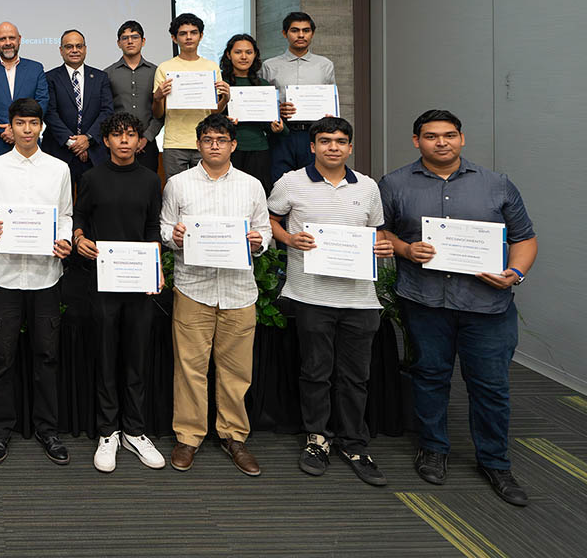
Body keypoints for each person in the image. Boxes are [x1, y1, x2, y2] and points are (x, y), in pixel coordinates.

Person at [378, 109, 538, 507]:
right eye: (431, 136)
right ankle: (433, 448)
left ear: (461, 138)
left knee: (490, 386)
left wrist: (516, 273)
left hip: (487, 305)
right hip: (425, 300)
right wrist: (405, 249)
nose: (441, 142)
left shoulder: (496, 184)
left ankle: (495, 462)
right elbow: (381, 231)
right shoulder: (394, 183)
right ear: (416, 141)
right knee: (430, 377)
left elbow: (525, 237)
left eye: (449, 135)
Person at [267, 117, 393, 486]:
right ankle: (317, 439)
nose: (332, 147)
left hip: (360, 298)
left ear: (350, 147)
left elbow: (376, 232)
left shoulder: (367, 187)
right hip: (310, 295)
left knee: (355, 376)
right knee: (315, 372)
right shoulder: (290, 182)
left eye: (340, 141)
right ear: (312, 147)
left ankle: (354, 443)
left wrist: (382, 246)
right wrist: (289, 240)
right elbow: (269, 220)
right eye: (325, 141)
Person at [161, 113, 270, 477]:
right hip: (194, 288)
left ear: (233, 145)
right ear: (198, 144)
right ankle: (188, 436)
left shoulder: (251, 186)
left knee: (236, 371)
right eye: (207, 140)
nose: (214, 146)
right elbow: (164, 227)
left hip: (239, 291)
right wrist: (173, 236)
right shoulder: (178, 184)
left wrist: (259, 241)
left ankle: (233, 436)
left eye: (221, 140)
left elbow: (264, 230)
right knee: (189, 368)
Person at [0, 98, 74, 465]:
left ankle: (47, 429)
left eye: (33, 123)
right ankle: (0, 430)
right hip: (4, 275)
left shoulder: (59, 169)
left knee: (47, 355)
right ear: (11, 127)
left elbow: (65, 216)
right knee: (2, 358)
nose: (27, 129)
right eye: (20, 123)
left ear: (41, 126)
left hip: (45, 276)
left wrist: (64, 239)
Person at [73, 112, 166, 473]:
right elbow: (80, 217)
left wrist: (156, 268)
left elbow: (153, 226)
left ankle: (135, 431)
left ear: (140, 141)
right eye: (117, 135)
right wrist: (79, 238)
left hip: (140, 282)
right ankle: (108, 431)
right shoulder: (92, 178)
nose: (124, 141)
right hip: (103, 282)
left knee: (137, 356)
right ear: (108, 140)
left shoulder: (150, 180)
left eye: (130, 135)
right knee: (107, 356)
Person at [261, 12, 336, 182]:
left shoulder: (325, 65)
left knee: (315, 182)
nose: (301, 35)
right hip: (282, 134)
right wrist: (277, 110)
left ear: (312, 33)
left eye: (306, 30)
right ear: (284, 33)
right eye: (295, 30)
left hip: (314, 133)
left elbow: (331, 101)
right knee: (279, 183)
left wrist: (329, 114)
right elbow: (265, 102)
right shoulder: (270, 66)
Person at [151, 13, 229, 177]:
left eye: (193, 32)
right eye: (183, 33)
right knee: (174, 188)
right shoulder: (165, 68)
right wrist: (157, 98)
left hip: (206, 140)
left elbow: (214, 112)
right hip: (174, 142)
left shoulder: (211, 67)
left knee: (206, 188)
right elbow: (158, 114)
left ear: (201, 36)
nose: (188, 37)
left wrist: (225, 99)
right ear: (174, 38)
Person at [41, 29, 114, 187]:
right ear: (61, 50)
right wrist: (73, 143)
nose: (74, 50)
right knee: (59, 200)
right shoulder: (49, 78)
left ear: (85, 49)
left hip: (94, 153)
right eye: (69, 47)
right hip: (59, 152)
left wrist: (88, 139)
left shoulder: (100, 77)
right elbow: (50, 113)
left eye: (79, 46)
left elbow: (107, 112)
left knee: (92, 201)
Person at [0, 21, 49, 163]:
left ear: (19, 39)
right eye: (2, 39)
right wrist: (6, 129)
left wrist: (18, 128)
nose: (8, 43)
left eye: (12, 38)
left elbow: (42, 101)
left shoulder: (36, 68)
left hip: (28, 143)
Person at [220, 33, 286, 192]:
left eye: (249, 52)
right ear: (228, 55)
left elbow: (273, 125)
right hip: (229, 149)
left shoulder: (263, 85)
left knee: (257, 194)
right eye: (238, 52)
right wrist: (224, 121)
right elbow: (209, 117)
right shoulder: (220, 83)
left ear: (255, 55)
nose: (244, 57)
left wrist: (278, 128)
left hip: (259, 149)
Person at [105, 20, 163, 174]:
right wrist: (117, 138)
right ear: (118, 43)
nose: (130, 41)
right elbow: (105, 112)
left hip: (147, 145)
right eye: (125, 38)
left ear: (143, 41)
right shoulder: (108, 74)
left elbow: (161, 112)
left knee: (147, 185)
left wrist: (146, 138)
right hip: (118, 145)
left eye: (135, 37)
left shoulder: (156, 72)